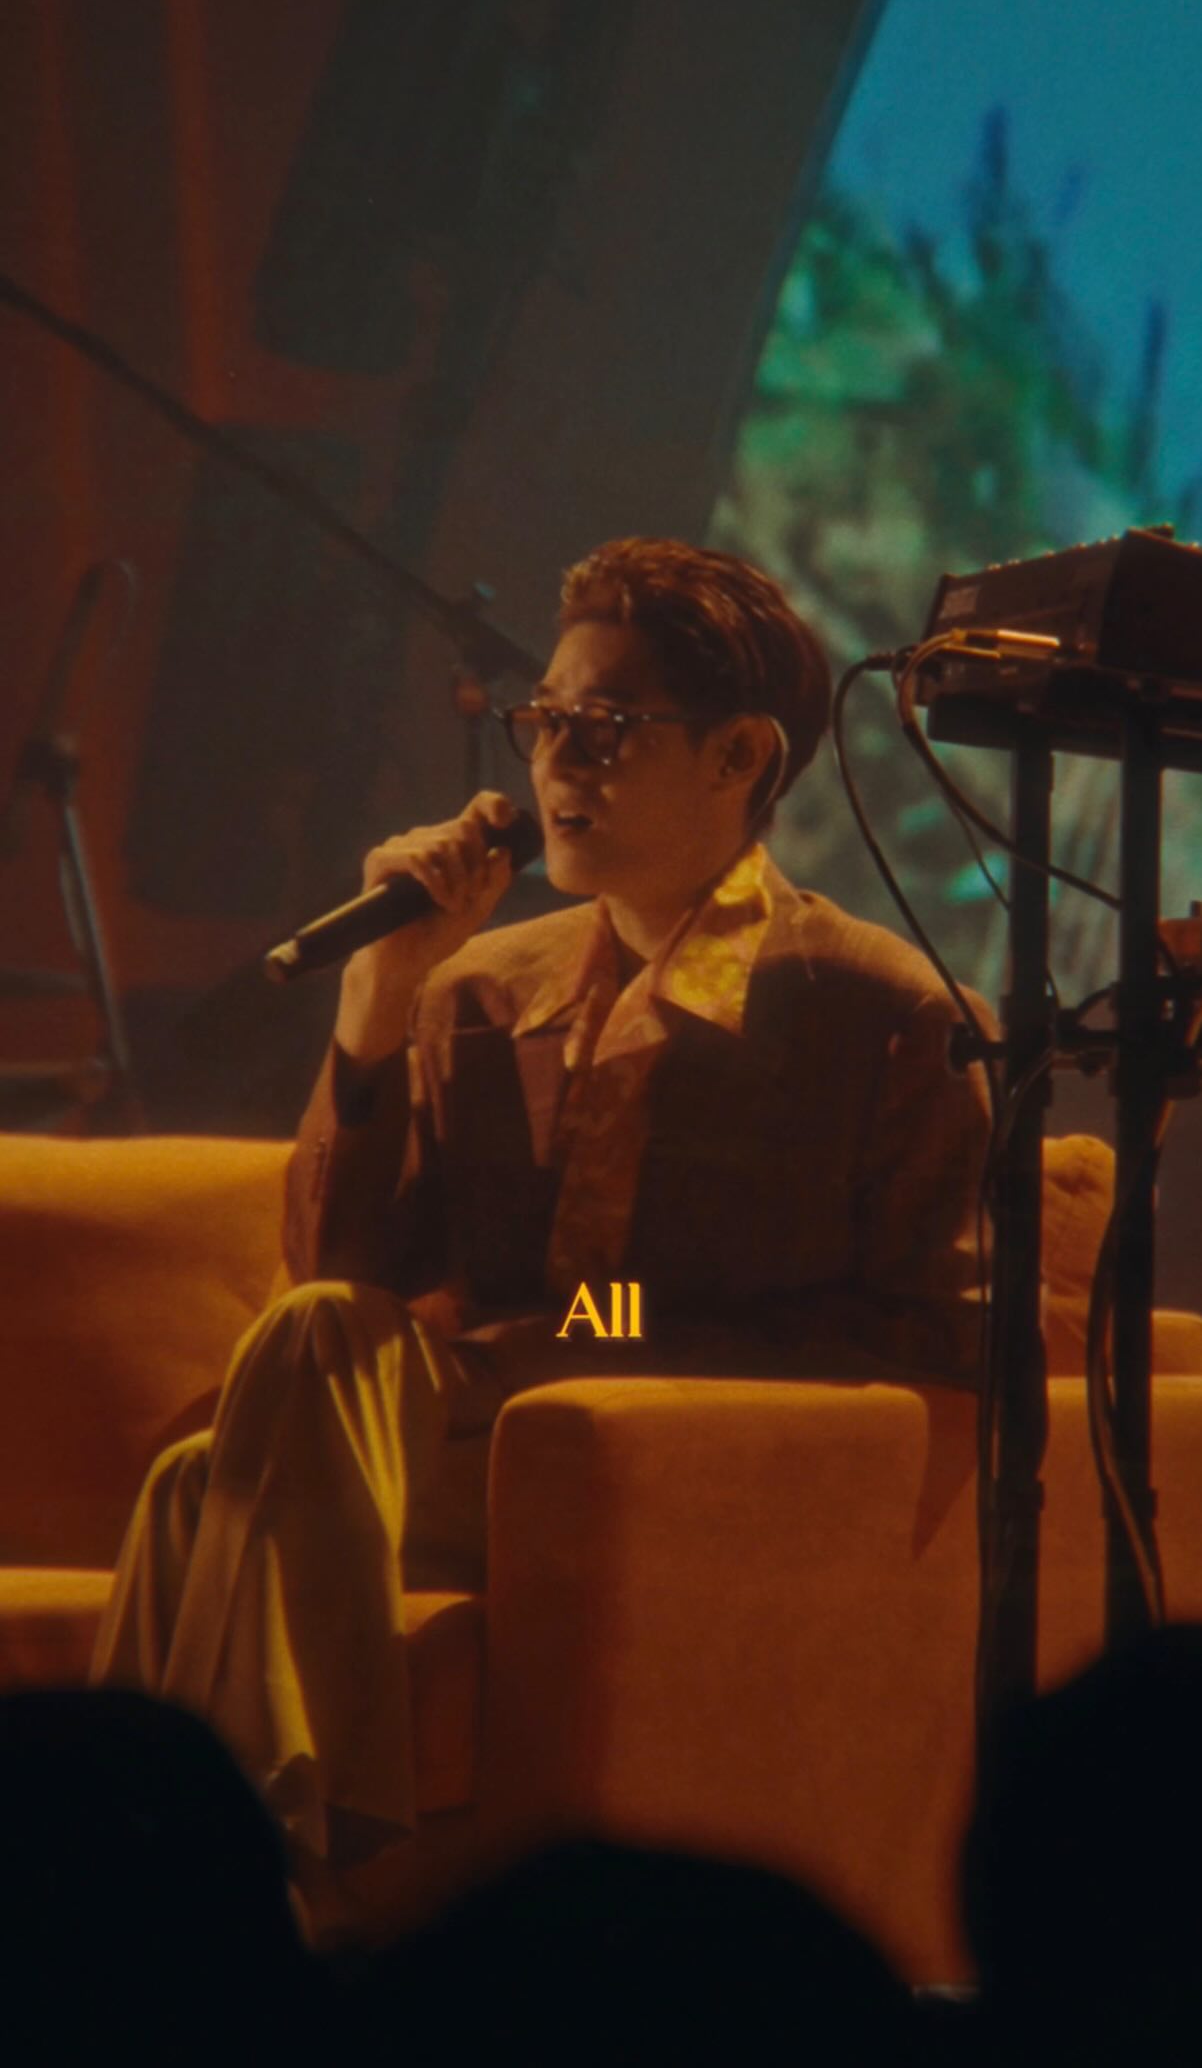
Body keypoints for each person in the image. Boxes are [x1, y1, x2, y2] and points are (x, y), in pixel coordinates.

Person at [91, 538, 991, 1907]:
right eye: (546, 720)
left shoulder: (876, 1010)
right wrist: (379, 998)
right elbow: (339, 1269)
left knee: (245, 1443)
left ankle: (214, 1883)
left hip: (676, 1473)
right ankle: (224, 1887)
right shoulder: (483, 988)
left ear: (740, 755)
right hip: (467, 1450)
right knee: (231, 1436)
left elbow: (929, 1345)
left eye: (608, 726)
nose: (557, 763)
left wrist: (570, 1332)